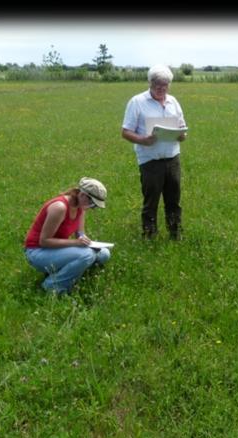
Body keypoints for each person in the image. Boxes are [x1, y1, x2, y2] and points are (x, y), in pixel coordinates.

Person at [121, 64, 187, 240]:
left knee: (174, 201)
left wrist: (182, 135)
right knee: (151, 202)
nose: (161, 90)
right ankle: (149, 236)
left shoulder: (173, 102)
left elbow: (181, 126)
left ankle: (176, 234)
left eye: (165, 87)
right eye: (158, 86)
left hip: (172, 157)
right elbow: (125, 131)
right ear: (150, 83)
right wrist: (143, 140)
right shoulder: (137, 102)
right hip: (150, 160)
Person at [24, 177, 111, 295]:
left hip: (54, 249)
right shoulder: (60, 207)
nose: (92, 208)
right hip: (37, 252)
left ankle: (64, 272)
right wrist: (77, 243)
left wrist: (84, 239)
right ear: (82, 195)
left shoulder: (81, 207)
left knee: (104, 254)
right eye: (92, 204)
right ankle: (52, 286)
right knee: (87, 255)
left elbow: (80, 233)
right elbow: (44, 241)